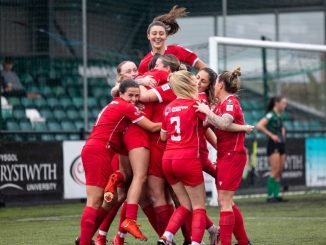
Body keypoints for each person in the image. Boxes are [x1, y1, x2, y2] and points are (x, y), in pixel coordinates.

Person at [76, 79, 161, 245]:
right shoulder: (126, 106)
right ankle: (85, 242)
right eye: (130, 95)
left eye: (137, 96)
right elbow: (151, 127)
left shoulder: (115, 104)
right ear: (121, 94)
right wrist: (174, 121)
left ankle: (85, 239)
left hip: (98, 150)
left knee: (110, 200)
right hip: (98, 151)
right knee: (94, 201)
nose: (134, 99)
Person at [195, 67, 252, 245]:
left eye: (215, 82)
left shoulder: (230, 102)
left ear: (219, 85)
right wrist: (243, 128)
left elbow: (223, 123)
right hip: (225, 155)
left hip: (233, 155)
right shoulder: (220, 104)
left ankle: (226, 242)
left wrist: (206, 111)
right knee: (227, 202)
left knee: (224, 201)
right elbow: (225, 125)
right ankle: (243, 242)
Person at [157, 70, 208, 245]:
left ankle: (166, 236)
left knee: (184, 205)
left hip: (168, 159)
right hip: (187, 158)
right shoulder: (195, 104)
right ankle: (196, 243)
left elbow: (163, 136)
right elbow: (211, 122)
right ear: (188, 84)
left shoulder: (168, 107)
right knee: (199, 206)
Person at [138, 5, 206, 75]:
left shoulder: (178, 50)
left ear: (166, 36)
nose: (158, 36)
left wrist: (195, 83)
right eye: (154, 34)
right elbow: (138, 84)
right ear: (148, 36)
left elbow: (204, 67)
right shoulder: (144, 63)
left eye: (161, 34)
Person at [256, 96, 287, 203]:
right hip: (273, 144)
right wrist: (271, 135)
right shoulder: (270, 115)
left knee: (279, 170)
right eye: (283, 103)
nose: (284, 105)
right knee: (274, 170)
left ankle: (277, 194)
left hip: (281, 144)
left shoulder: (280, 116)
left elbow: (282, 127)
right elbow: (259, 125)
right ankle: (270, 196)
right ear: (276, 103)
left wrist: (283, 135)